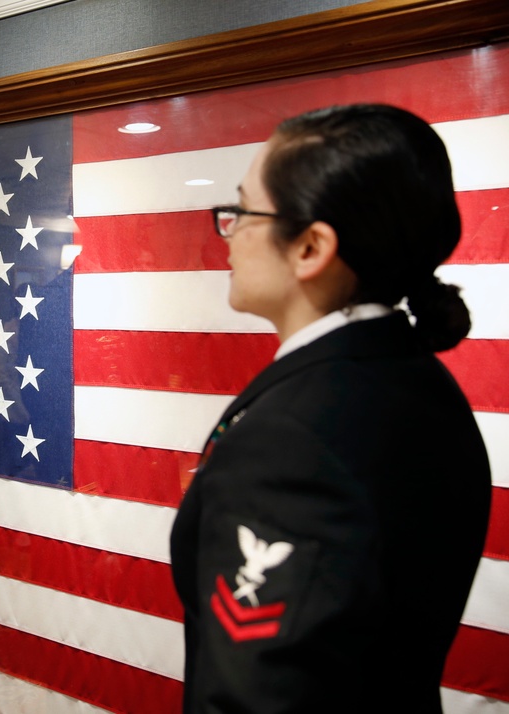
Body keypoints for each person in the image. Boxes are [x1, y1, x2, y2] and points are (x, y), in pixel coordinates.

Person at [169, 104, 491, 713]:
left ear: (311, 246)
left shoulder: (291, 441)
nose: (229, 230)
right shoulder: (415, 382)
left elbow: (257, 698)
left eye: (243, 211)